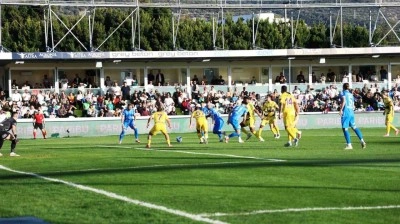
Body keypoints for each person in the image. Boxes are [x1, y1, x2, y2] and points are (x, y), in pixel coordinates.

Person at [339, 83, 367, 150]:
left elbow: (344, 101)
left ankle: (349, 145)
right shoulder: (351, 94)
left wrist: (341, 109)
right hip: (351, 112)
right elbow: (353, 104)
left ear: (343, 87)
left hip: (346, 112)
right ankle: (362, 140)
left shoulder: (343, 93)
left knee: (345, 128)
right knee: (354, 127)